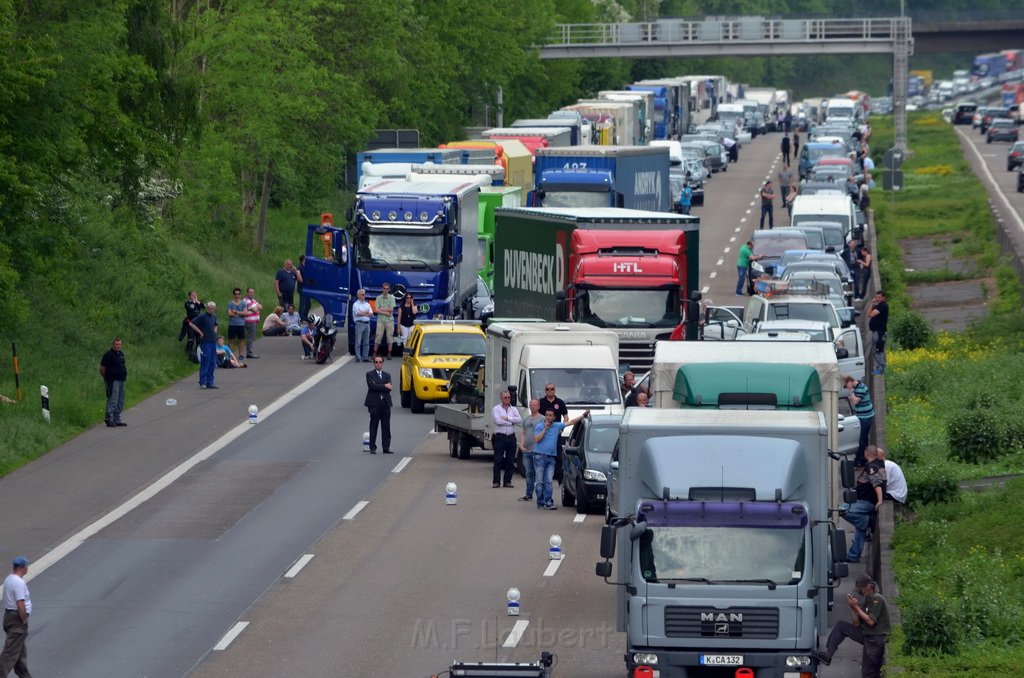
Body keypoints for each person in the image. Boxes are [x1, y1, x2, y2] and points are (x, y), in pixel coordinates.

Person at [813, 574, 890, 676]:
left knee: (869, 672)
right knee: (841, 626)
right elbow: (856, 623)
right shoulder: (867, 599)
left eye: (861, 589)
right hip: (866, 634)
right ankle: (828, 655)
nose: (860, 592)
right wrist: (853, 607)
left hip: (875, 638)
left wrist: (856, 607)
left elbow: (871, 622)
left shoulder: (877, 599)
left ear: (869, 586)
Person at [533, 409, 589, 510]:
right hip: (540, 456)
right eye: (547, 415)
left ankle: (549, 502)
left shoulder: (557, 426)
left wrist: (583, 415)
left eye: (551, 416)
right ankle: (540, 502)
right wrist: (545, 429)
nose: (548, 417)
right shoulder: (539, 426)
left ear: (554, 418)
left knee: (549, 481)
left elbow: (571, 422)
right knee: (539, 481)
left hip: (551, 457)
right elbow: (536, 439)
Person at [843, 445, 886, 563]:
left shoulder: (871, 468)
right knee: (860, 526)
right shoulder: (880, 465)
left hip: (867, 502)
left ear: (867, 454)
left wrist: (880, 501)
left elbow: (876, 484)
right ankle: (853, 555)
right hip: (867, 501)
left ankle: (866, 521)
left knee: (841, 510)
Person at [1, 557, 32, 677]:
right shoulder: (18, 583)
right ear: (22, 568)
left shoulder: (9, 579)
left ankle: (25, 675)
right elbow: (20, 604)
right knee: (10, 653)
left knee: (19, 652)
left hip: (9, 617)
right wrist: (24, 619)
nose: (27, 568)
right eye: (26, 566)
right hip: (17, 619)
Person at [491, 390, 523, 489]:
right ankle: (496, 481)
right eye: (505, 397)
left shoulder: (513, 409)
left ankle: (507, 481)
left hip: (511, 436)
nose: (508, 399)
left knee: (510, 460)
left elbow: (519, 420)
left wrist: (507, 418)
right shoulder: (496, 409)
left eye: (509, 397)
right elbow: (498, 421)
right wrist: (511, 421)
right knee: (498, 460)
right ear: (501, 398)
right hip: (500, 437)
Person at [844, 374, 875, 467]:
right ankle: (861, 458)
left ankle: (861, 460)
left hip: (866, 417)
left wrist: (851, 391)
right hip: (862, 416)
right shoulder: (858, 387)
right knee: (862, 438)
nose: (846, 388)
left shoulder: (860, 388)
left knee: (862, 440)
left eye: (846, 385)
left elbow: (855, 401)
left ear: (849, 382)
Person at [364, 356, 393, 454]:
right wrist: (384, 385)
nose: (378, 363)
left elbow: (390, 388)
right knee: (373, 426)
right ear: (374, 363)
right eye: (376, 362)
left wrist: (379, 386)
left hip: (385, 403)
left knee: (386, 427)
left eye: (380, 362)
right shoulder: (369, 374)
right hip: (374, 404)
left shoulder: (387, 375)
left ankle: (386, 447)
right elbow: (372, 386)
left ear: (383, 363)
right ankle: (372, 447)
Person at [188, 301, 220, 389]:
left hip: (213, 341)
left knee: (212, 362)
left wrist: (215, 331)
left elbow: (216, 324)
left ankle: (210, 382)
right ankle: (202, 382)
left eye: (213, 309)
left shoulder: (214, 316)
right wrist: (200, 333)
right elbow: (191, 323)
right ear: (207, 308)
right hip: (205, 342)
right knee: (205, 362)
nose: (212, 310)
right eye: (210, 308)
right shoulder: (202, 316)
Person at [518, 399, 543, 503]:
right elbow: (523, 433)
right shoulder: (526, 419)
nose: (532, 406)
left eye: (534, 405)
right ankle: (528, 494)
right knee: (529, 473)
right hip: (526, 451)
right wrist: (521, 444)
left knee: (539, 474)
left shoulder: (542, 419)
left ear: (538, 406)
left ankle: (540, 495)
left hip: (537, 451)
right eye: (531, 405)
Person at [99, 337, 128, 427]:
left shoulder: (121, 354)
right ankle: (109, 418)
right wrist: (107, 378)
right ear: (113, 345)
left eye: (119, 344)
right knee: (113, 399)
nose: (118, 346)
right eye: (116, 344)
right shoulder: (108, 355)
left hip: (121, 380)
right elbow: (102, 369)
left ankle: (117, 418)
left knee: (120, 399)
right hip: (112, 380)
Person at [373, 282, 397, 359]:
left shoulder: (392, 298)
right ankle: (374, 352)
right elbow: (376, 310)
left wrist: (382, 309)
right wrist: (386, 313)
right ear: (382, 289)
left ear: (389, 289)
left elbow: (391, 309)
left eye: (387, 289)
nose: (385, 290)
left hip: (389, 321)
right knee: (378, 336)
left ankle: (389, 353)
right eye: (384, 288)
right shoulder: (378, 298)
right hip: (380, 320)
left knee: (390, 337)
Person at [868, 291, 889, 375]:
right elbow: (868, 314)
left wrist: (872, 304)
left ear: (884, 298)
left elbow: (870, 315)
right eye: (876, 297)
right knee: (878, 351)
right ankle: (881, 367)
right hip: (876, 332)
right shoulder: (878, 306)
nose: (878, 299)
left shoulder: (883, 306)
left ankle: (881, 369)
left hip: (879, 333)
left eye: (879, 297)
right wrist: (873, 305)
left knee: (878, 351)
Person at [179, 290, 203, 361]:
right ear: (189, 296)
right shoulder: (187, 303)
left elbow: (204, 306)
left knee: (199, 340)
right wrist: (195, 301)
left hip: (198, 324)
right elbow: (192, 307)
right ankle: (188, 354)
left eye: (195, 295)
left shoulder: (197, 303)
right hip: (190, 323)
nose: (194, 296)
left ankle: (198, 355)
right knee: (191, 340)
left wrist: (198, 302)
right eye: (193, 295)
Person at [226, 288, 247, 363]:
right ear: (233, 294)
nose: (237, 295)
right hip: (232, 324)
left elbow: (245, 313)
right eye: (235, 294)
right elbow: (229, 313)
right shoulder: (230, 303)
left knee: (241, 340)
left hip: (241, 324)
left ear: (240, 295)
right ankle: (229, 355)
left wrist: (236, 312)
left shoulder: (243, 303)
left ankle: (241, 354)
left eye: (238, 294)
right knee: (231, 340)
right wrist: (240, 313)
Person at [351, 289, 372, 362]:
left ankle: (365, 357)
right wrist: (366, 313)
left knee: (366, 342)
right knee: (358, 342)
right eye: (362, 294)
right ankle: (358, 357)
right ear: (358, 295)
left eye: (364, 294)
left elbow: (371, 313)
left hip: (367, 324)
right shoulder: (355, 304)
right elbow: (358, 313)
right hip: (359, 323)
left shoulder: (367, 304)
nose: (364, 296)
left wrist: (364, 313)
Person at [242, 287, 263, 359]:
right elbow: (255, 309)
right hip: (250, 321)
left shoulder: (253, 300)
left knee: (252, 337)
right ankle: (249, 353)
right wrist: (255, 308)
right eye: (250, 292)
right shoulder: (246, 301)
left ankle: (249, 352)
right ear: (247, 293)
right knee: (250, 337)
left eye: (253, 292)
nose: (251, 294)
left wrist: (255, 308)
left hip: (254, 320)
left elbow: (261, 307)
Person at [297, 254, 311, 321]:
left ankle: (305, 316)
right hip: (302, 288)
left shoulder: (307, 267)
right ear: (303, 260)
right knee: (302, 304)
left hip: (307, 288)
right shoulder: (300, 267)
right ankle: (300, 318)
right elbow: (298, 275)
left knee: (308, 304)